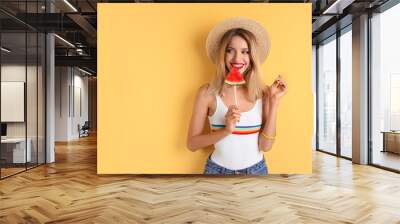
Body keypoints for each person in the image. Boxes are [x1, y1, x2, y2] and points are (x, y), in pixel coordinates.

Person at [186, 17, 287, 175]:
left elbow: (265, 146)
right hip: (216, 172)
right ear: (222, 54)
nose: (237, 59)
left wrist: (274, 102)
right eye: (230, 50)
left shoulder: (264, 93)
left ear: (252, 57)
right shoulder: (207, 93)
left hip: (257, 171)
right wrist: (226, 130)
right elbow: (192, 144)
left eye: (245, 52)